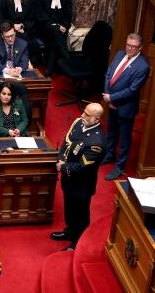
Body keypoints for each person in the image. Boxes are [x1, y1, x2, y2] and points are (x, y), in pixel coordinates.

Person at [51, 103, 105, 250]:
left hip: (81, 184)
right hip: (69, 179)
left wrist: (62, 166)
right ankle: (69, 232)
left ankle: (77, 243)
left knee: (80, 215)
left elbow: (82, 167)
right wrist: (61, 157)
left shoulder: (96, 143)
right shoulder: (78, 123)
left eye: (87, 115)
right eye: (84, 112)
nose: (82, 115)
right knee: (69, 209)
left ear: (96, 119)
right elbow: (66, 143)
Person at [102, 33, 151, 180]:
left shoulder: (143, 67)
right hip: (111, 103)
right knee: (111, 131)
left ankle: (120, 166)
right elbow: (108, 74)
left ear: (140, 48)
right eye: (128, 45)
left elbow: (132, 90)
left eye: (134, 47)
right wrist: (107, 95)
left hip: (125, 108)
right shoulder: (120, 54)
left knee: (124, 139)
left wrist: (112, 98)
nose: (130, 49)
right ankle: (109, 155)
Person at [33, 0, 73, 74]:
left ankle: (48, 70)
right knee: (55, 32)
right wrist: (56, 26)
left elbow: (68, 16)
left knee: (54, 39)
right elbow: (39, 16)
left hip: (58, 31)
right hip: (43, 29)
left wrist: (65, 26)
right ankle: (68, 58)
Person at [0, 0, 40, 64]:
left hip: (24, 30)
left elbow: (32, 19)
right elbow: (1, 17)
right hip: (9, 29)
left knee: (32, 43)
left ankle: (29, 63)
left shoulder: (29, 2)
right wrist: (12, 26)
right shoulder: (5, 0)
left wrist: (22, 25)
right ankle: (16, 62)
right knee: (18, 39)